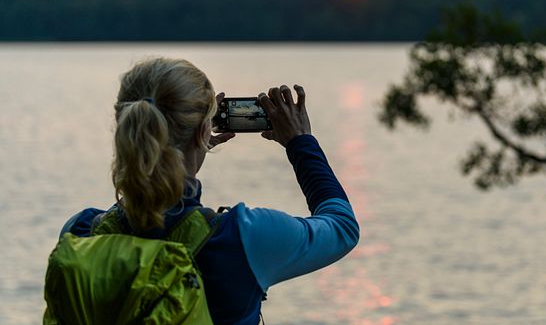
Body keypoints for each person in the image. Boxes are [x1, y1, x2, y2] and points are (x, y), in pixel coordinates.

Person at [57, 57, 360, 324]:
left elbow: (138, 216)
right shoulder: (242, 238)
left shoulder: (80, 232)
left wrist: (177, 156)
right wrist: (300, 142)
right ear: (204, 131)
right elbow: (342, 226)